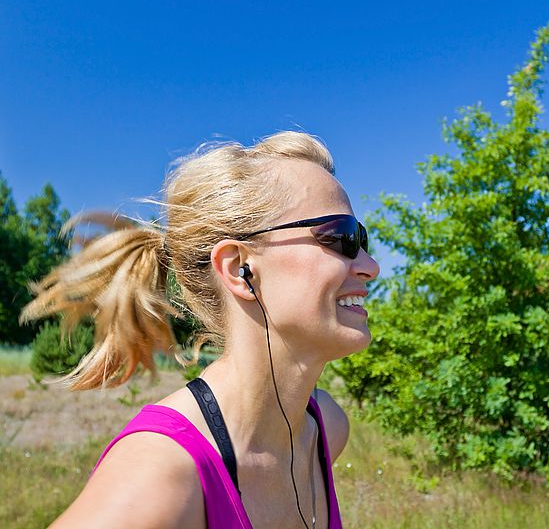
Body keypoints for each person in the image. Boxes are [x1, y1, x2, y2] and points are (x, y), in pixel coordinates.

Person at [20, 131, 380, 528]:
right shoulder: (164, 472)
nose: (369, 265)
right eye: (340, 237)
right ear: (239, 269)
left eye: (361, 239)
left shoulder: (325, 427)